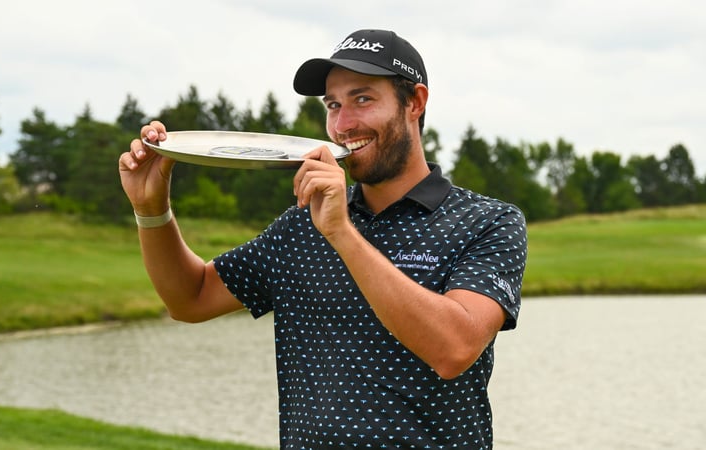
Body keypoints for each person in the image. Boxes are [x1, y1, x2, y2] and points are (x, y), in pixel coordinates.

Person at [119, 29, 527, 449]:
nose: (343, 124)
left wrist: (341, 233)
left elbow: (453, 349)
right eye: (333, 105)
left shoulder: (487, 222)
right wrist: (152, 212)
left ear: (415, 102)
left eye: (363, 99)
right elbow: (191, 298)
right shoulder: (301, 225)